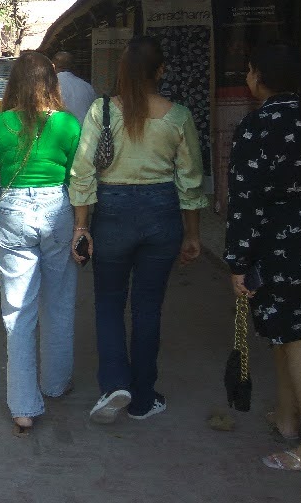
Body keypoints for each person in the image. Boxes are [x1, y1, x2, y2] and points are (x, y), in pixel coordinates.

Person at [224, 43, 301, 472]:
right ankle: (288, 417)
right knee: (290, 334)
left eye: (250, 71)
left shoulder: (258, 126)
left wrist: (237, 262)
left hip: (281, 249)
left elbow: (246, 202)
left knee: (300, 341)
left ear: (260, 76)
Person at [69, 35, 207, 424]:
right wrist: (193, 233)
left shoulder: (102, 111)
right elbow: (191, 181)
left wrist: (82, 225)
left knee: (109, 302)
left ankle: (115, 384)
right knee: (148, 308)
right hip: (161, 215)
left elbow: (83, 171)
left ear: (121, 72)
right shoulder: (178, 115)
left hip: (112, 213)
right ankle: (144, 397)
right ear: (161, 70)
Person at [0, 51, 82, 432]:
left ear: (13, 82)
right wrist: (81, 224)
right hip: (57, 210)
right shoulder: (68, 124)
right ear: (52, 83)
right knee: (60, 303)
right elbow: (74, 178)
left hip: (12, 214)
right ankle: (54, 384)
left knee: (18, 312)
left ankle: (23, 406)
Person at [52, 51, 97, 124]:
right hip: (85, 132)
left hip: (61, 132)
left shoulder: (50, 85)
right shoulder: (87, 87)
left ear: (53, 65)